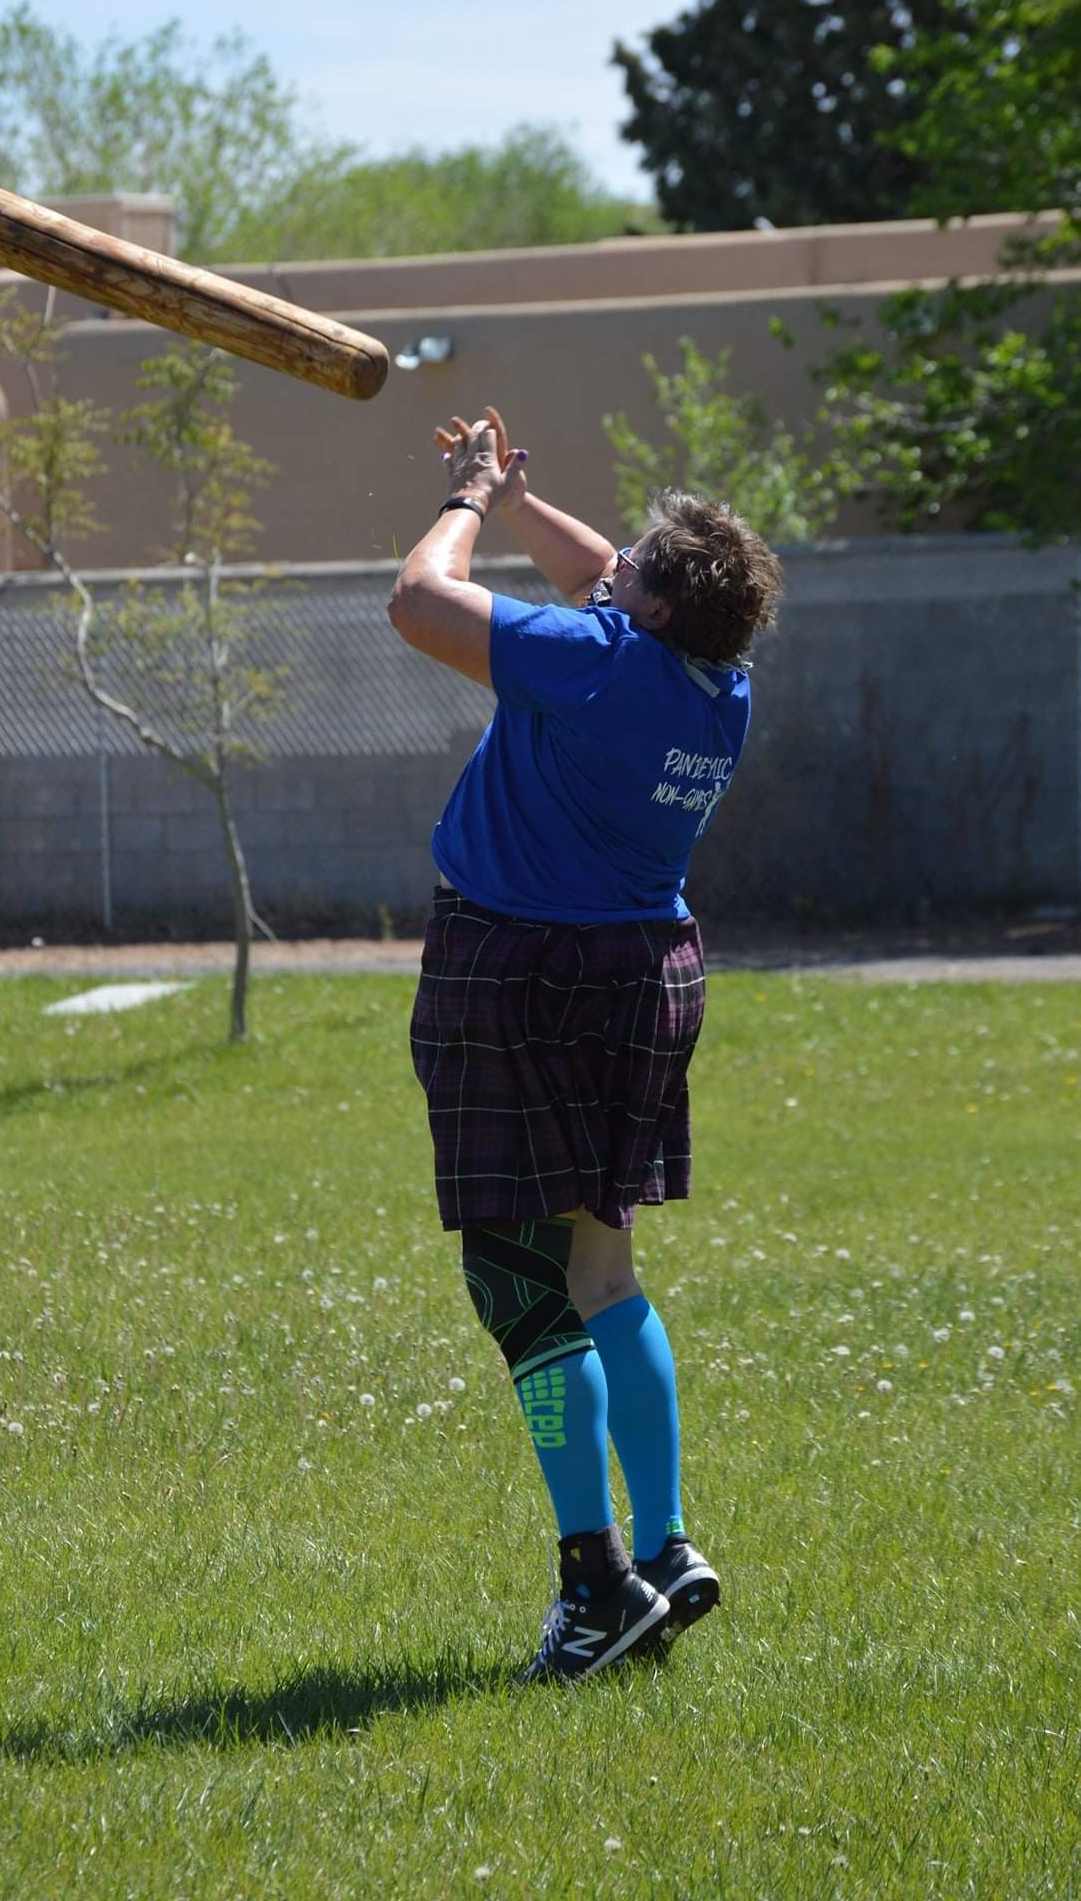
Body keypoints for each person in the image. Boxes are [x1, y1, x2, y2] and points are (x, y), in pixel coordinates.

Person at [388, 407, 782, 1682]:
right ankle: (666, 1547)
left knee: (518, 1278)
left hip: (521, 973)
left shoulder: (594, 661)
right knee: (605, 1270)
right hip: (647, 973)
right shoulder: (717, 682)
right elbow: (603, 568)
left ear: (650, 609)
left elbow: (419, 601)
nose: (615, 563)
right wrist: (514, 498)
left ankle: (597, 1582)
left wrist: (463, 502)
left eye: (637, 567)